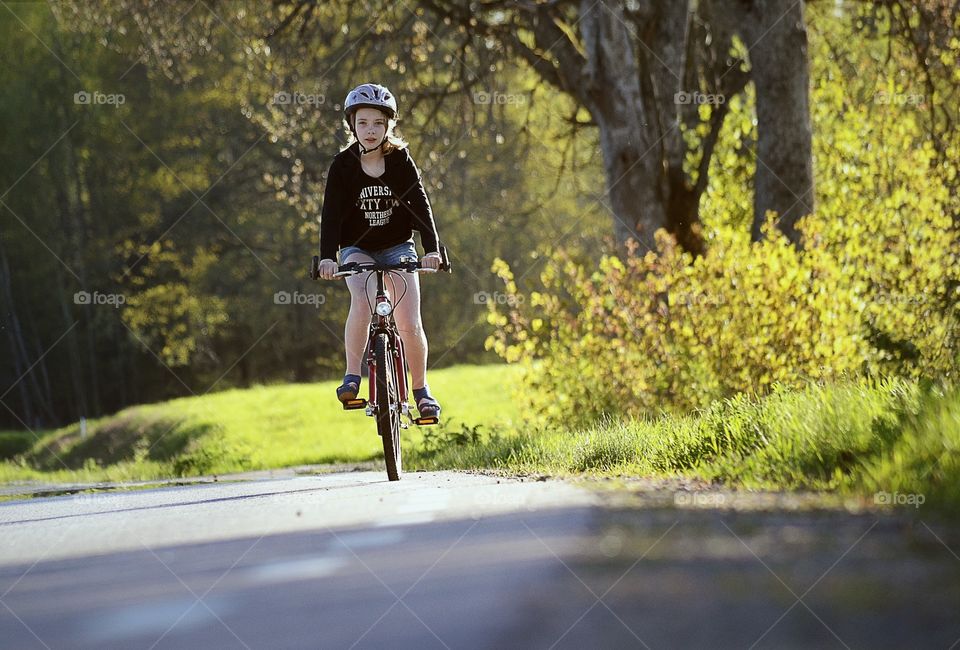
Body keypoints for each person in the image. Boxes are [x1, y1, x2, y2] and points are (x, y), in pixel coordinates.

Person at [317, 82, 442, 419]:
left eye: (377, 123)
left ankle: (421, 391)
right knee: (364, 298)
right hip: (357, 250)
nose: (370, 131)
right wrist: (328, 257)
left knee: (409, 321)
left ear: (389, 125)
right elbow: (330, 215)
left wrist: (432, 249)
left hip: (398, 247)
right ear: (352, 125)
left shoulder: (400, 161)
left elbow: (421, 206)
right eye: (362, 123)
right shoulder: (342, 166)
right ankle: (352, 376)